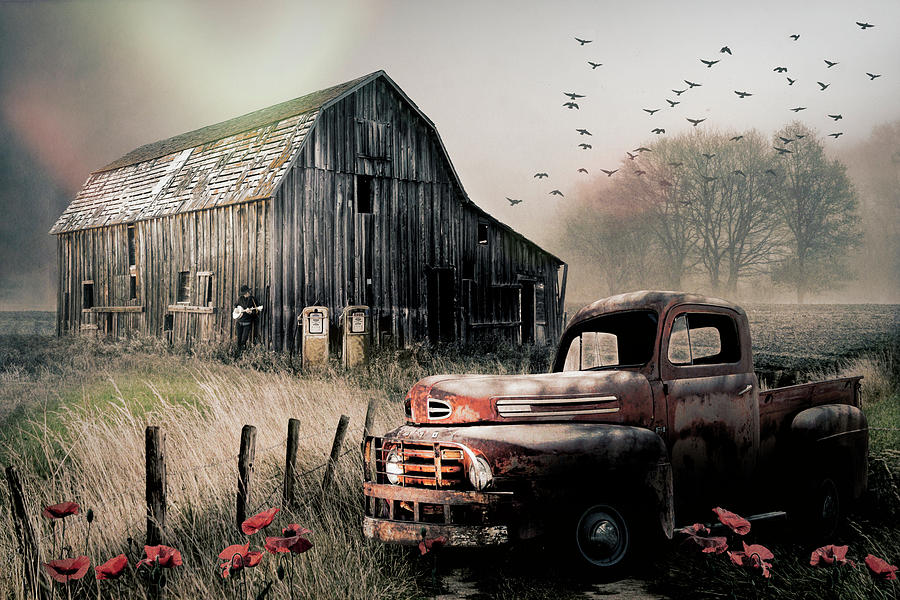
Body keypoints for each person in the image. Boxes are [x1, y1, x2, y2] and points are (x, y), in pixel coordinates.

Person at [233, 284, 263, 354]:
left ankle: (243, 355)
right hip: (239, 322)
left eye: (247, 292)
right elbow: (235, 306)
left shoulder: (253, 299)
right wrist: (237, 310)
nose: (247, 294)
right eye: (245, 293)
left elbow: (256, 311)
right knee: (238, 340)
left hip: (247, 323)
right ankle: (238, 354)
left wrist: (250, 312)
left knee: (244, 340)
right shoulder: (240, 299)